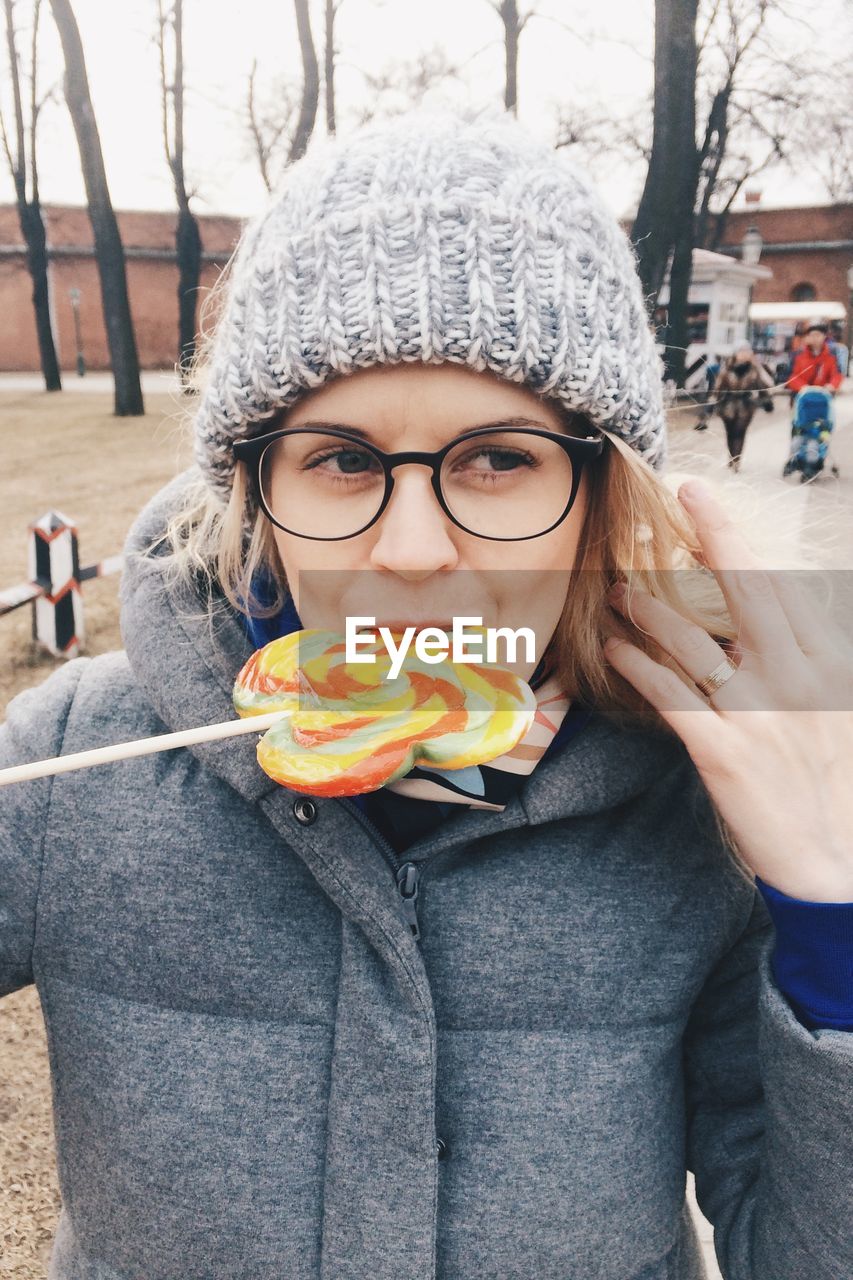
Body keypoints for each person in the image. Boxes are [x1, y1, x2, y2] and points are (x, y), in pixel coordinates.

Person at [2, 108, 852, 1280]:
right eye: (343, 458)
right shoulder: (64, 767)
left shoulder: (709, 804)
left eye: (498, 457)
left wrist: (831, 909)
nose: (409, 548)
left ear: (601, 490)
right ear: (252, 487)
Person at [702, 345, 775, 471]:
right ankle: (731, 457)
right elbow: (717, 388)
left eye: (747, 352)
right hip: (727, 406)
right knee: (730, 433)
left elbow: (762, 385)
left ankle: (736, 461)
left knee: (740, 432)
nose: (744, 354)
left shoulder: (754, 369)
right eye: (742, 351)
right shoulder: (726, 369)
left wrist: (767, 401)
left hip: (746, 406)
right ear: (736, 353)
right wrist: (709, 409)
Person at [787, 321, 844, 402]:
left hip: (823, 396)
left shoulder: (832, 355)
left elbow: (836, 375)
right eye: (811, 335)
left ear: (824, 336)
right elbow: (792, 377)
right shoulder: (798, 355)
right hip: (802, 396)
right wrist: (803, 387)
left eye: (817, 335)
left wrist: (832, 385)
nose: (814, 338)